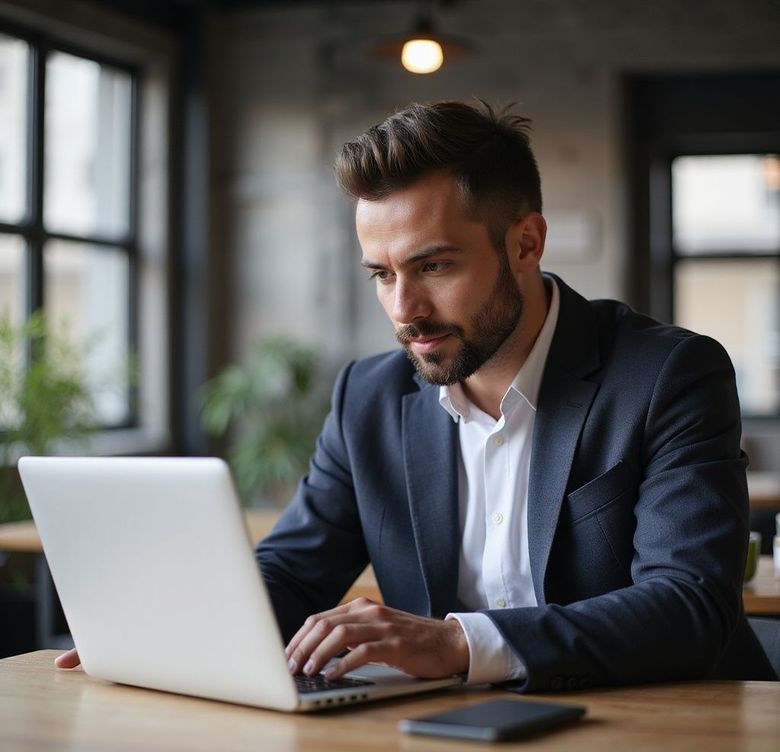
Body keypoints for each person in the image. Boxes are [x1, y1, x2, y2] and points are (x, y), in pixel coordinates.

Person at [57, 100, 776, 689]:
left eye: (432, 266)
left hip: (661, 737)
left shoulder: (668, 374)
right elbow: (294, 569)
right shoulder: (368, 396)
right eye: (381, 274)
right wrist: (163, 631)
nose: (405, 309)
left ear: (526, 243)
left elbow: (689, 607)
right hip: (437, 741)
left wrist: (458, 643)